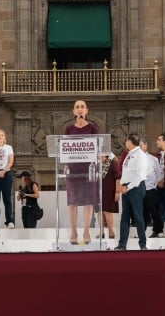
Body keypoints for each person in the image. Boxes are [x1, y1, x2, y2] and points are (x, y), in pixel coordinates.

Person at [63, 99, 99, 245]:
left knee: (88, 202)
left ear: (86, 111)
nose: (80, 109)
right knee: (72, 202)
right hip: (72, 169)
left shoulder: (93, 128)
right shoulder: (68, 129)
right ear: (73, 111)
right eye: (77, 107)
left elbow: (97, 146)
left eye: (82, 107)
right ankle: (73, 231)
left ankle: (86, 231)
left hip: (88, 169)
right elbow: (64, 147)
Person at [115, 134, 149, 251]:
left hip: (135, 187)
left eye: (126, 141)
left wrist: (128, 187)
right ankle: (122, 244)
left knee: (138, 216)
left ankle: (143, 244)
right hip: (126, 188)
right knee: (125, 216)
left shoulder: (140, 155)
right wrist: (122, 186)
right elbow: (126, 172)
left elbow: (139, 175)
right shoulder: (130, 154)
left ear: (129, 142)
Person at [0, 129, 16, 229]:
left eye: (2, 135)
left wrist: (4, 170)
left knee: (7, 199)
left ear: (4, 137)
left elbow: (10, 161)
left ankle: (9, 221)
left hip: (6, 174)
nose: (0, 136)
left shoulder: (8, 148)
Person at [100, 151, 122, 239]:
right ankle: (101, 232)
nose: (100, 159)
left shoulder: (113, 163)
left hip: (109, 191)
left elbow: (118, 178)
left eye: (102, 157)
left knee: (108, 211)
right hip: (100, 191)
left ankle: (111, 232)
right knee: (100, 212)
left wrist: (117, 191)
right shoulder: (97, 164)